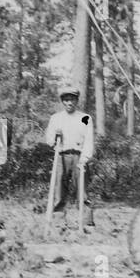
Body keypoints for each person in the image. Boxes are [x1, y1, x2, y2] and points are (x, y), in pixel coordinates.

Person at [44, 87, 95, 223]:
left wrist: (85, 158)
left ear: (77, 100)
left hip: (79, 156)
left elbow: (89, 139)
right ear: (62, 101)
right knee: (59, 189)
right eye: (66, 100)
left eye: (72, 99)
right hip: (61, 156)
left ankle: (86, 221)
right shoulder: (56, 118)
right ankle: (59, 220)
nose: (69, 103)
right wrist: (55, 137)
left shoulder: (84, 118)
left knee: (82, 189)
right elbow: (49, 140)